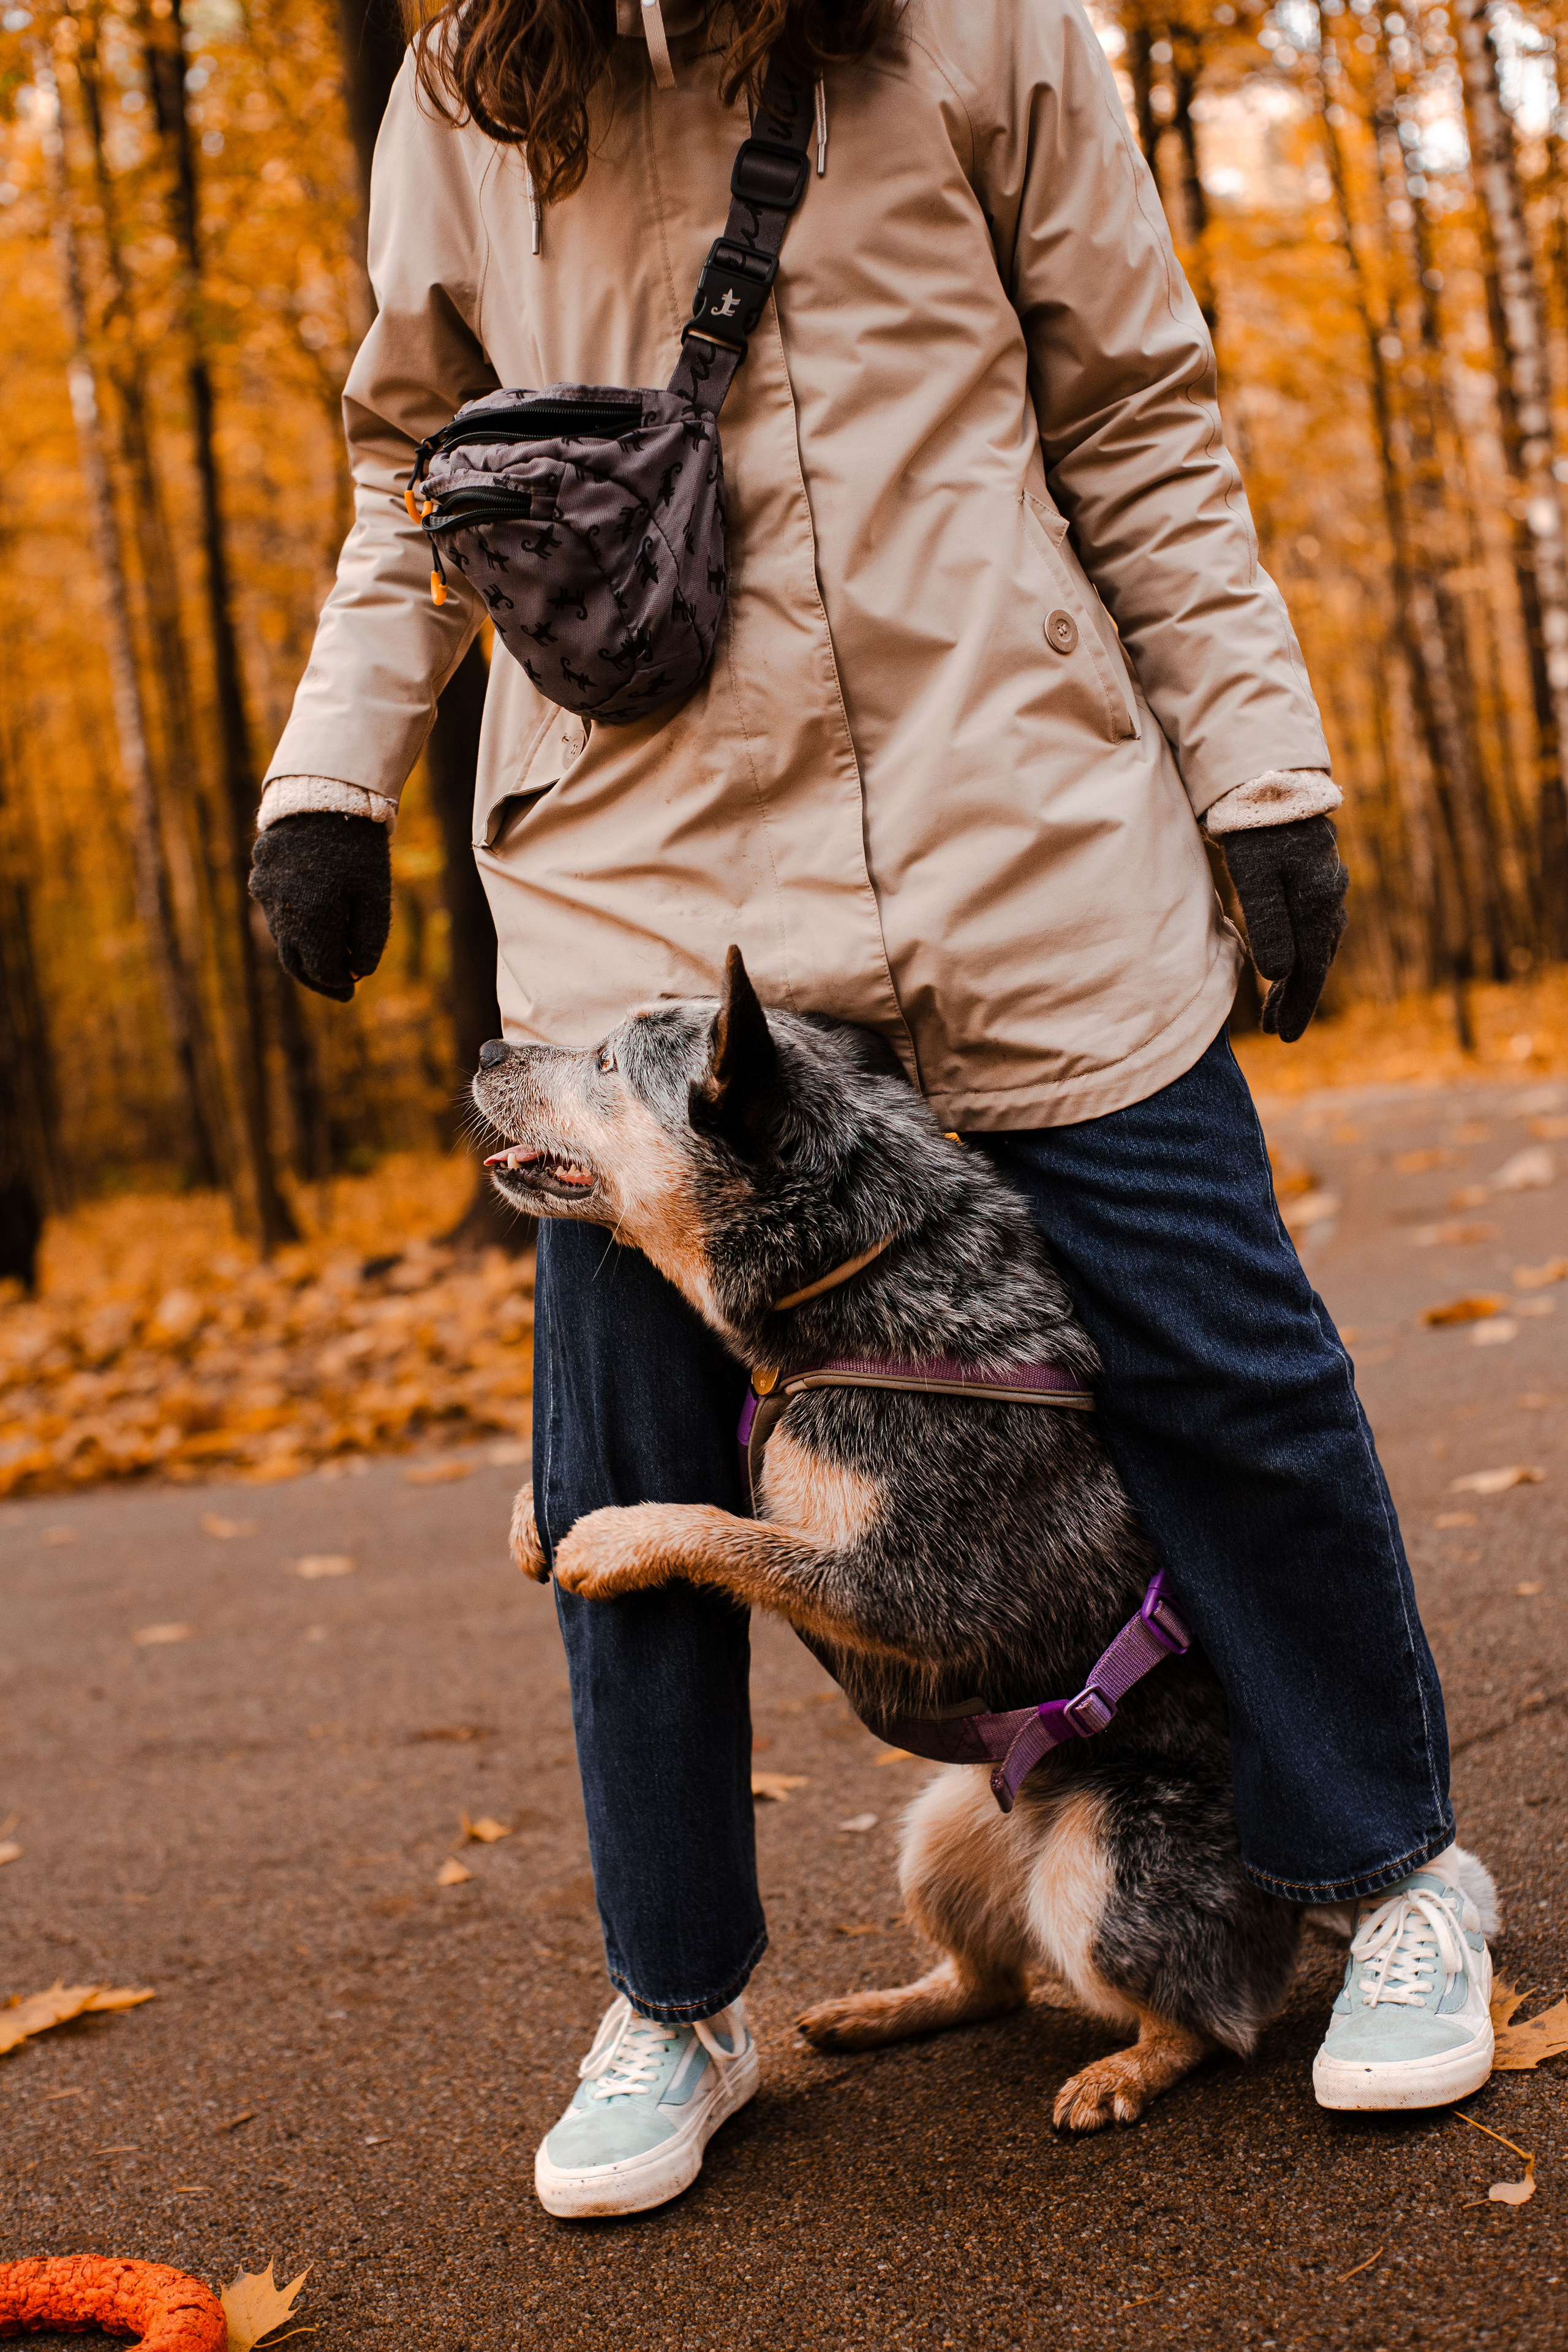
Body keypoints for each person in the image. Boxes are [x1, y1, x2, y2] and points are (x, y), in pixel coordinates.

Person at [249, 0, 1493, 2220]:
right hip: (645, 888)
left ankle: (1386, 1867)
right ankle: (680, 1994)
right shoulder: (469, 81)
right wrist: (335, 769)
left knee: (1229, 1362)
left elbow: (1136, 410)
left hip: (1019, 832)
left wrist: (1263, 765)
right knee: (623, 1460)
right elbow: (406, 465)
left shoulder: (990, 23)